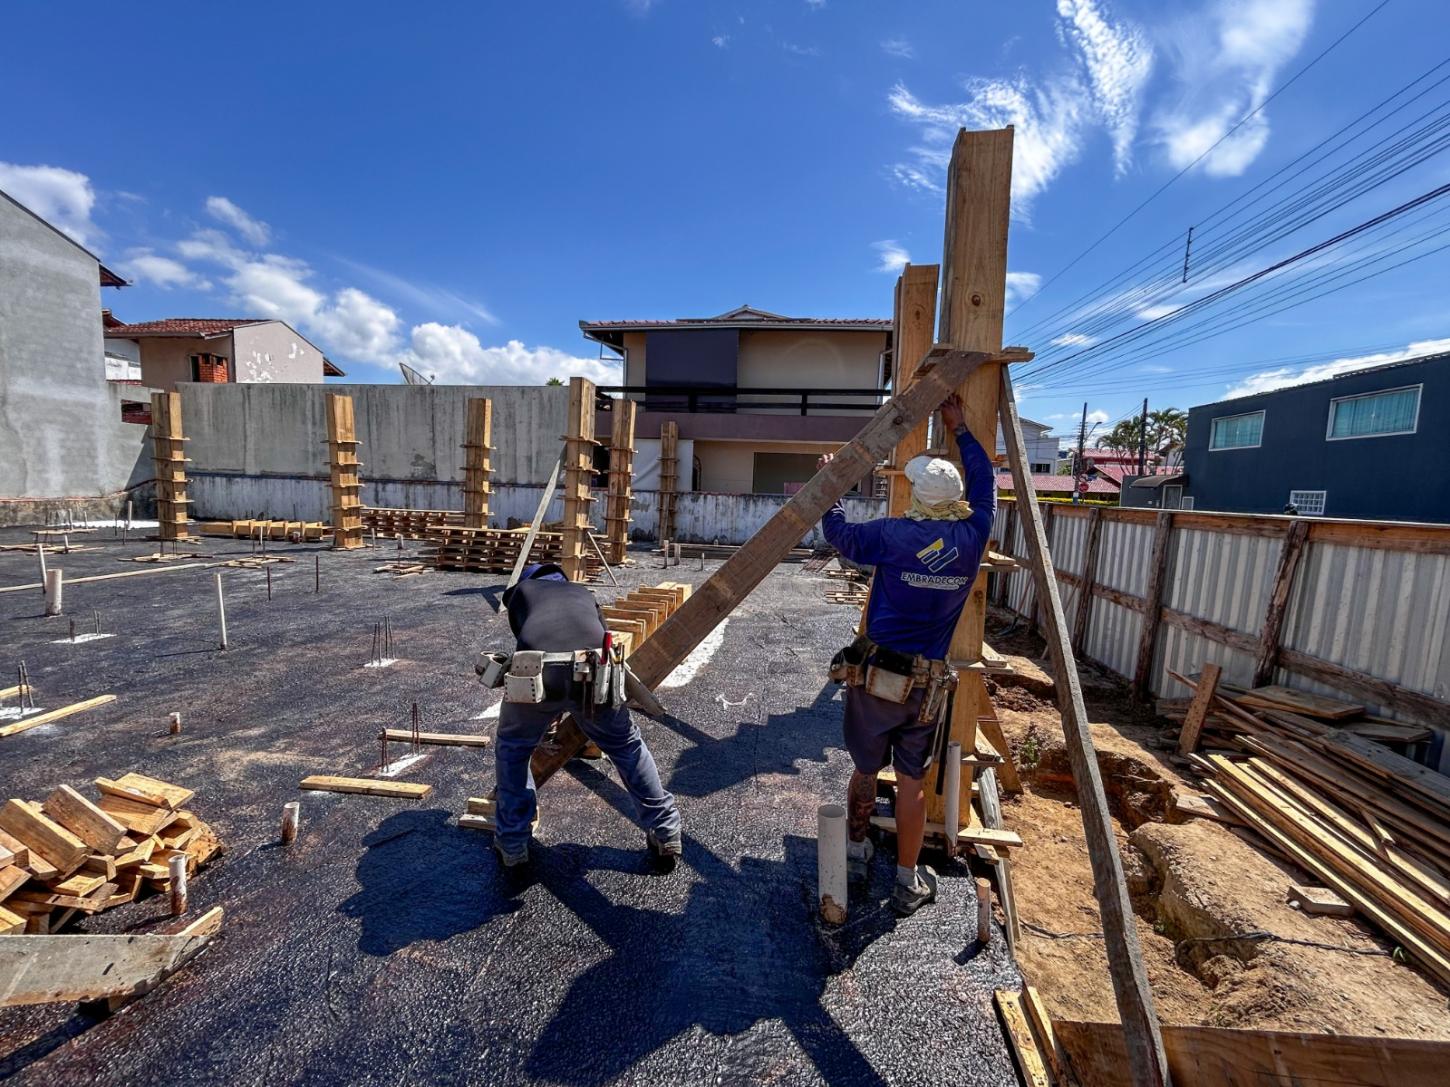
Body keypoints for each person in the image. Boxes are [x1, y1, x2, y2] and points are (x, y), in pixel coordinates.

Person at [818, 393, 995, 915]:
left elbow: (839, 533)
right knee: (913, 782)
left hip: (878, 678)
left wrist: (834, 484)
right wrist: (961, 429)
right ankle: (906, 879)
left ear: (917, 494)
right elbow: (987, 485)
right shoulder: (972, 534)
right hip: (927, 687)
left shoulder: (894, 536)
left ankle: (854, 850)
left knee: (866, 768)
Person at [491, 563, 682, 870]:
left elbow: (528, 641)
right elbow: (601, 634)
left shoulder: (521, 594)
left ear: (529, 582)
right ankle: (666, 831)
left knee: (514, 747)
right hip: (595, 672)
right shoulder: (582, 592)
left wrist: (547, 713)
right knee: (626, 747)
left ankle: (512, 843)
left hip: (539, 671)